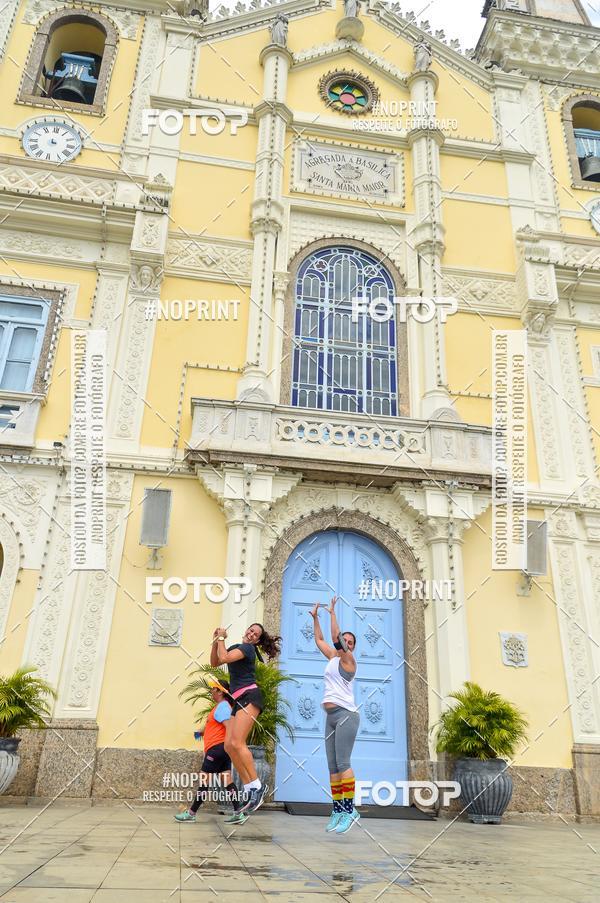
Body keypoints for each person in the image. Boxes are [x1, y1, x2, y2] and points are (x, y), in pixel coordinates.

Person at [211, 622, 281, 814]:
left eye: (255, 634)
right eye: (250, 630)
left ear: (257, 640)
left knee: (238, 743)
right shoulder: (237, 648)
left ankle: (257, 787)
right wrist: (216, 640)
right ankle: (251, 789)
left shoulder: (248, 649)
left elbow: (223, 656)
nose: (251, 634)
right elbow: (216, 662)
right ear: (246, 630)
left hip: (250, 696)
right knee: (229, 745)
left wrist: (222, 638)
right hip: (238, 699)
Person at [310, 597, 360, 835]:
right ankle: (338, 810)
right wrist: (315, 618)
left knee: (343, 764)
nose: (346, 643)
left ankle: (350, 810)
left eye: (350, 642)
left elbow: (334, 637)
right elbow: (320, 639)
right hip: (329, 716)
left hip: (346, 715)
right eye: (345, 640)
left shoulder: (349, 660)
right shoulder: (332, 657)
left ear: (351, 647)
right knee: (332, 767)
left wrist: (331, 614)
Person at [174, 681, 246, 824]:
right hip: (222, 749)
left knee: (204, 780)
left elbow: (229, 727)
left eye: (214, 689)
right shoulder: (221, 707)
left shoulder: (223, 706)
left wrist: (226, 746)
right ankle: (239, 813)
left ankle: (191, 813)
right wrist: (201, 732)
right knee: (227, 781)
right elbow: (214, 725)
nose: (211, 691)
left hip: (217, 749)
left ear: (220, 692)